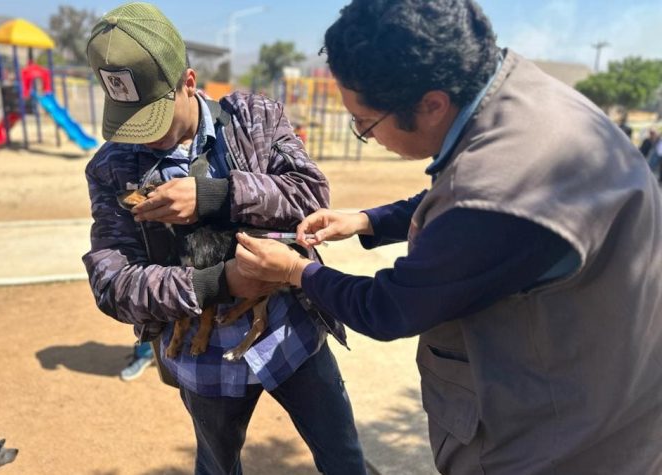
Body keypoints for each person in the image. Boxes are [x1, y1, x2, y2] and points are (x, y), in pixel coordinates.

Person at [233, 0, 662, 473]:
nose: (366, 135)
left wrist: (295, 271)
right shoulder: (519, 97)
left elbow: (389, 308)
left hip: (556, 448)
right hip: (615, 397)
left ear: (432, 105)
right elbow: (464, 201)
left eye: (364, 123)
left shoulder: (493, 196)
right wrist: (367, 220)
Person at [82, 4, 366, 475]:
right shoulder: (112, 168)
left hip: (292, 334)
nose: (144, 138)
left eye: (154, 117)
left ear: (189, 83)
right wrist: (218, 283)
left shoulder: (254, 117)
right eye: (129, 120)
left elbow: (312, 195)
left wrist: (216, 195)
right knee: (216, 466)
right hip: (203, 361)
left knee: (344, 457)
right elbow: (114, 286)